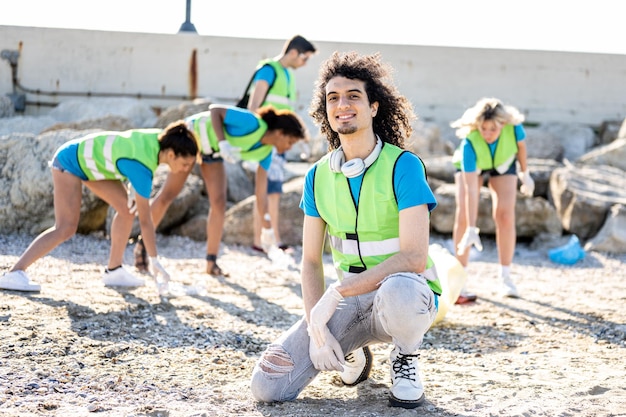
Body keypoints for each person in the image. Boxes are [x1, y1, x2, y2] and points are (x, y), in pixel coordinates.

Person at [250, 51, 442, 409]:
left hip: (404, 295)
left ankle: (406, 356)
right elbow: (309, 261)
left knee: (399, 291)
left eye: (353, 95)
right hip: (350, 303)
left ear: (374, 107)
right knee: (268, 385)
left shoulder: (404, 166)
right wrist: (316, 328)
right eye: (333, 98)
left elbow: (414, 257)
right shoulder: (317, 176)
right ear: (325, 110)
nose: (342, 104)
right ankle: (353, 351)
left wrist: (336, 293)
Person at [0, 122, 199, 292]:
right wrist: (154, 260)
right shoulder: (143, 168)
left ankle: (114, 271)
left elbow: (124, 153)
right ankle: (14, 272)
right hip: (70, 161)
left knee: (127, 209)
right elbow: (146, 222)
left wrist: (130, 186)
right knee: (66, 227)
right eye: (185, 164)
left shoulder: (163, 139)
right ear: (171, 155)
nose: (185, 170)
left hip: (95, 167)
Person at [134, 104, 308, 276]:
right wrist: (223, 142)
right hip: (191, 138)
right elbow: (215, 110)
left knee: (219, 202)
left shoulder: (266, 154)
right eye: (290, 141)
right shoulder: (252, 123)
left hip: (213, 152)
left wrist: (268, 229)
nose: (289, 148)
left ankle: (211, 261)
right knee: (168, 194)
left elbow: (261, 196)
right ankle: (142, 245)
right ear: (280, 133)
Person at [450, 97, 534, 303]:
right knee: (463, 216)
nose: (487, 134)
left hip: (503, 163)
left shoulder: (514, 128)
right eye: (483, 128)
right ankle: (460, 281)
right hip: (475, 166)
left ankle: (505, 278)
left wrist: (525, 173)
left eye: (492, 129)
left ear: (502, 124)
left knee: (505, 216)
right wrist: (471, 228)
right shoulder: (470, 143)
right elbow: (471, 190)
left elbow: (521, 148)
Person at [240, 34, 316, 254]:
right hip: (268, 141)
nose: (305, 63)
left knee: (274, 190)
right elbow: (254, 105)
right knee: (265, 189)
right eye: (305, 58)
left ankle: (271, 238)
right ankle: (261, 240)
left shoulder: (287, 75)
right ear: (294, 52)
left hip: (280, 142)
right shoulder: (269, 70)